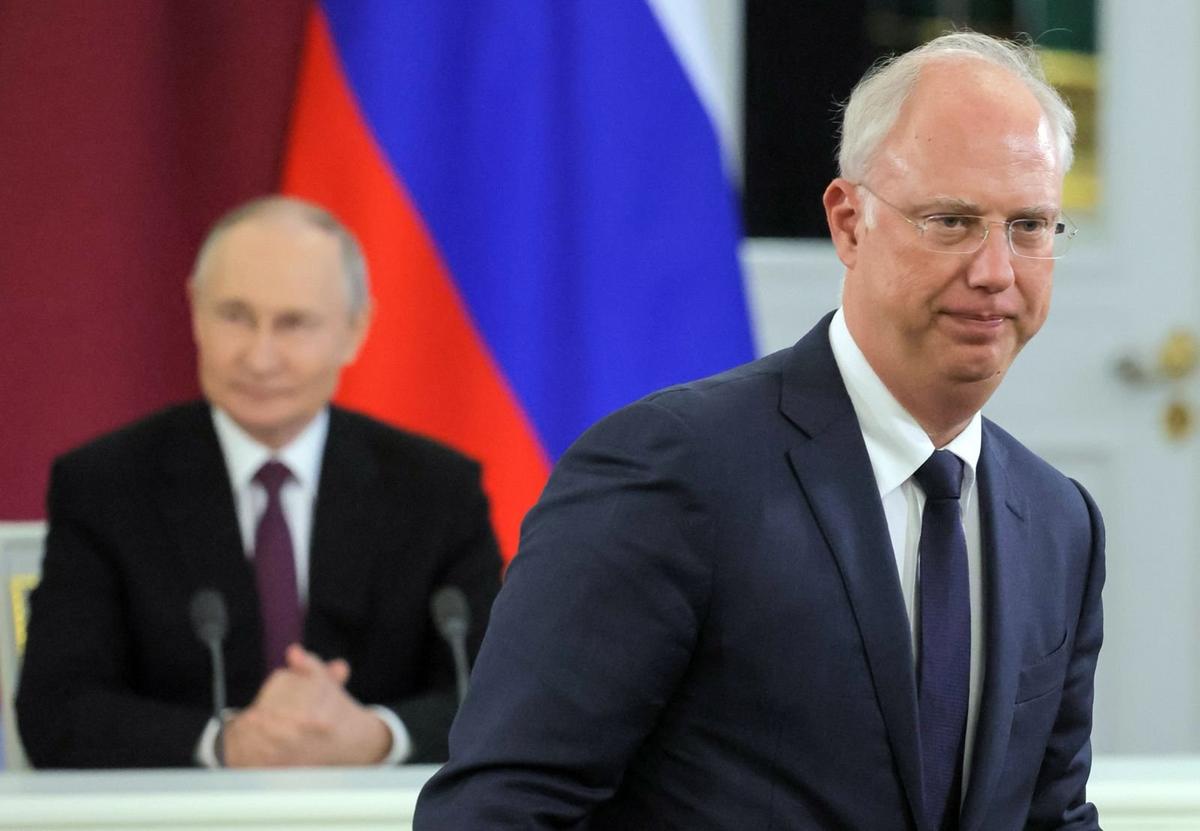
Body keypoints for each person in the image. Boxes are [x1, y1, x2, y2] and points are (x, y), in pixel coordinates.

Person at [414, 31, 1104, 830]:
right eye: (951, 221)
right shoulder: (671, 469)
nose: (996, 271)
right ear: (849, 222)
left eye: (1030, 226)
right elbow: (500, 809)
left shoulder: (1058, 522)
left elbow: (1051, 816)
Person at [17, 196, 502, 768]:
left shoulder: (437, 490)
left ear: (355, 330)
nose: (260, 356)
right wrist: (227, 741)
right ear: (195, 311)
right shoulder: (105, 486)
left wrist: (376, 736)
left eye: (293, 323)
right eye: (235, 316)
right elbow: (56, 710)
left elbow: (500, 696)